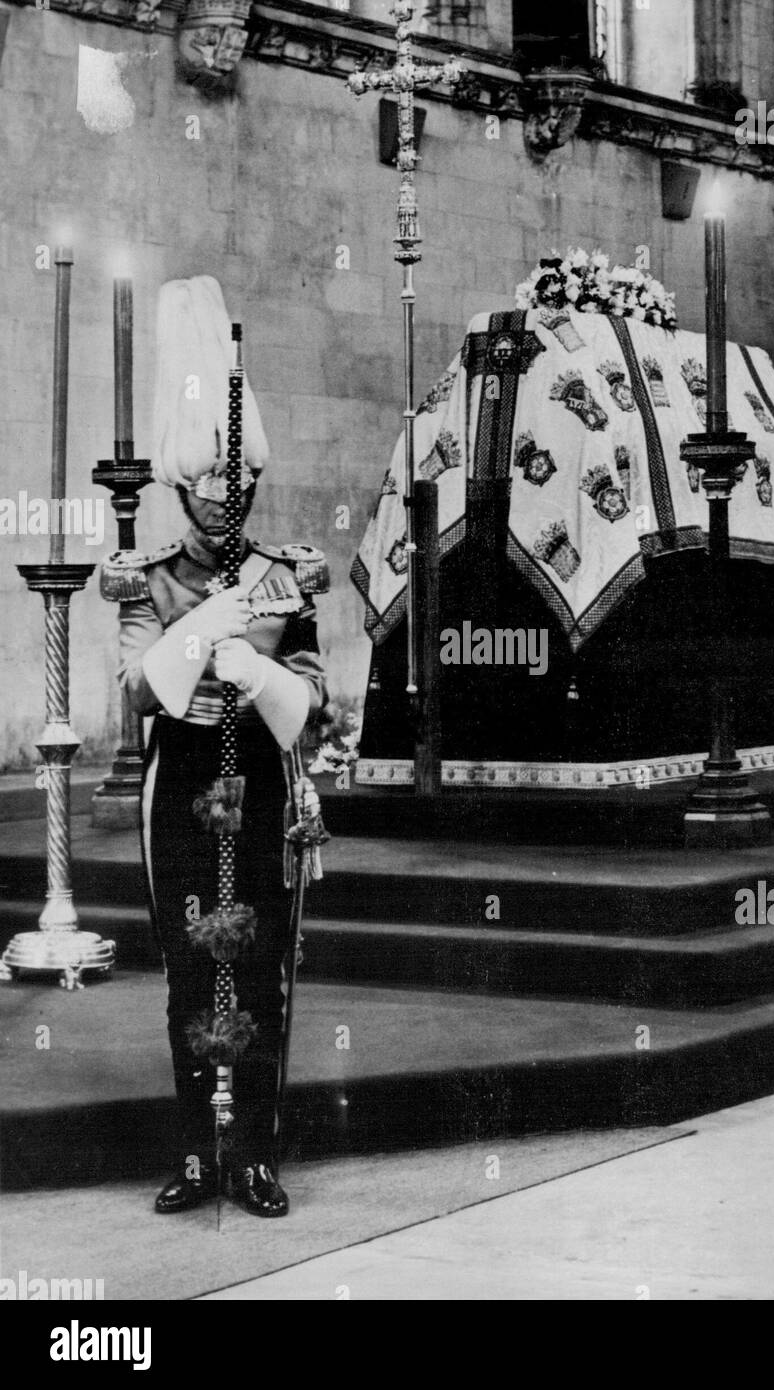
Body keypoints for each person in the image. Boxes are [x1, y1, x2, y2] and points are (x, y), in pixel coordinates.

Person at [101, 277, 329, 1217]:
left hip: (263, 781)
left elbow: (315, 704)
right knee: (191, 971)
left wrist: (258, 671)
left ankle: (255, 1155)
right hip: (183, 775)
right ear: (184, 493)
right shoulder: (146, 581)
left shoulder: (289, 576)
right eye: (210, 489)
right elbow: (133, 695)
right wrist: (205, 638)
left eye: (240, 488)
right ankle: (198, 1154)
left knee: (265, 967)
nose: (226, 505)